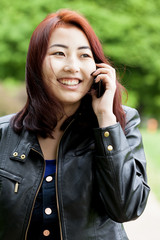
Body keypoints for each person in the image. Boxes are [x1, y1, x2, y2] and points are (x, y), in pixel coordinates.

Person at [0, 9, 150, 240]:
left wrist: (106, 121)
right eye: (59, 53)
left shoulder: (120, 123)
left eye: (84, 55)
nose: (72, 66)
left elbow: (127, 209)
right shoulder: (4, 134)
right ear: (36, 63)